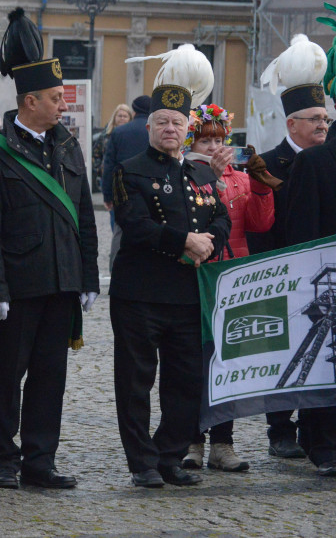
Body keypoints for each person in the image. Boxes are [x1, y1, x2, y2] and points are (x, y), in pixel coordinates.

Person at [0, 8, 99, 490]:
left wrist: (87, 276)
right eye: (54, 98)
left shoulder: (68, 148)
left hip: (61, 283)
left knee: (50, 380)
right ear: (28, 101)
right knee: (4, 378)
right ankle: (1, 456)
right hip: (18, 287)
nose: (62, 105)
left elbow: (84, 216)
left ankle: (40, 460)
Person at [111, 45, 230, 488]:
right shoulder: (131, 169)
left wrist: (206, 245)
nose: (169, 129)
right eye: (162, 121)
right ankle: (142, 462)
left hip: (185, 294)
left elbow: (222, 216)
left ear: (186, 129)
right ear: (150, 126)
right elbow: (134, 223)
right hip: (140, 294)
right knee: (136, 383)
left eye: (177, 123)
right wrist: (182, 240)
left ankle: (170, 455)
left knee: (186, 381)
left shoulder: (201, 174)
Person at [178, 103, 278, 473]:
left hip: (234, 279)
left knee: (227, 361)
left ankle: (223, 442)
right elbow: (196, 218)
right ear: (192, 141)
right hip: (197, 276)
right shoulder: (184, 174)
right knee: (193, 363)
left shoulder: (238, 176)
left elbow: (260, 224)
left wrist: (263, 189)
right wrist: (211, 178)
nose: (214, 147)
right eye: (205, 140)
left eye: (219, 140)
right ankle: (192, 441)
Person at [248, 42, 332, 458]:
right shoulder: (266, 162)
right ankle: (279, 429)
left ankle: (313, 429)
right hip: (280, 267)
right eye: (315, 119)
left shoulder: (328, 161)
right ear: (292, 123)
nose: (323, 125)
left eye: (326, 118)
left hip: (321, 274)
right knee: (283, 351)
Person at [283, 107, 336, 477]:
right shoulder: (315, 161)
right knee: (324, 363)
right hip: (327, 282)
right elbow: (301, 233)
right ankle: (322, 443)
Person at [102, 95, 151, 268]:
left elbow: (108, 166)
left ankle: (115, 269)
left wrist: (108, 195)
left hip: (122, 191)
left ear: (134, 110)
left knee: (120, 231)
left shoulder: (119, 132)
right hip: (151, 191)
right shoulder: (155, 131)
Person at [93, 103, 133, 193]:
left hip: (127, 176)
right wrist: (100, 169)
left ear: (130, 118)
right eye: (120, 116)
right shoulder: (106, 134)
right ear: (115, 117)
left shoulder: (132, 135)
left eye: (125, 116)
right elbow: (96, 152)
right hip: (109, 176)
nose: (122, 118)